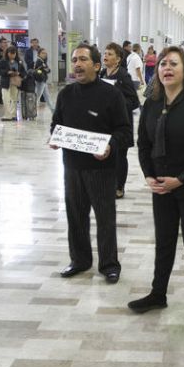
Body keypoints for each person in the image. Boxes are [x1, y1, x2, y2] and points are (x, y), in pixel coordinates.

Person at [127, 47, 184, 321]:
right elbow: (144, 143)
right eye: (163, 63)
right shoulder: (152, 104)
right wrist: (148, 176)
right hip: (161, 186)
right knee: (164, 242)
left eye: (173, 64)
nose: (167, 68)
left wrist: (181, 179)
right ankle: (158, 293)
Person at [50, 44, 132, 284]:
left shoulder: (111, 95)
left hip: (102, 169)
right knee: (76, 216)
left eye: (83, 59)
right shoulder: (65, 94)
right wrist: (55, 137)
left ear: (96, 66)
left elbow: (125, 131)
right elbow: (56, 124)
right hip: (72, 167)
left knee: (105, 218)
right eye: (74, 59)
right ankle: (79, 260)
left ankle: (109, 265)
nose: (77, 64)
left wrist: (110, 146)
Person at [99, 43, 140, 199]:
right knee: (106, 155)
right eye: (105, 53)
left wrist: (118, 105)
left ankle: (119, 187)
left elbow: (134, 101)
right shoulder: (102, 74)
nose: (105, 56)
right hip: (105, 124)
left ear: (118, 59)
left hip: (121, 124)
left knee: (120, 156)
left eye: (109, 54)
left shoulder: (123, 76)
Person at [0, 46, 27, 121]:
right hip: (5, 82)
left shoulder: (19, 61)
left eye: (14, 54)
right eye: (11, 54)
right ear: (7, 53)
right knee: (5, 98)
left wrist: (19, 73)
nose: (12, 56)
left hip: (15, 82)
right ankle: (7, 115)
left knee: (14, 99)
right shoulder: (2, 61)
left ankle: (13, 115)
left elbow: (24, 72)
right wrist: (7, 72)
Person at [33, 48, 55, 113]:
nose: (44, 54)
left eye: (45, 53)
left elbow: (48, 70)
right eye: (43, 53)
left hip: (43, 81)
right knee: (37, 96)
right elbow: (42, 70)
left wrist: (46, 70)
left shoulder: (43, 61)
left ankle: (53, 110)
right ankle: (31, 110)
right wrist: (45, 70)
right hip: (40, 81)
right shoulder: (38, 61)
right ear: (39, 54)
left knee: (47, 96)